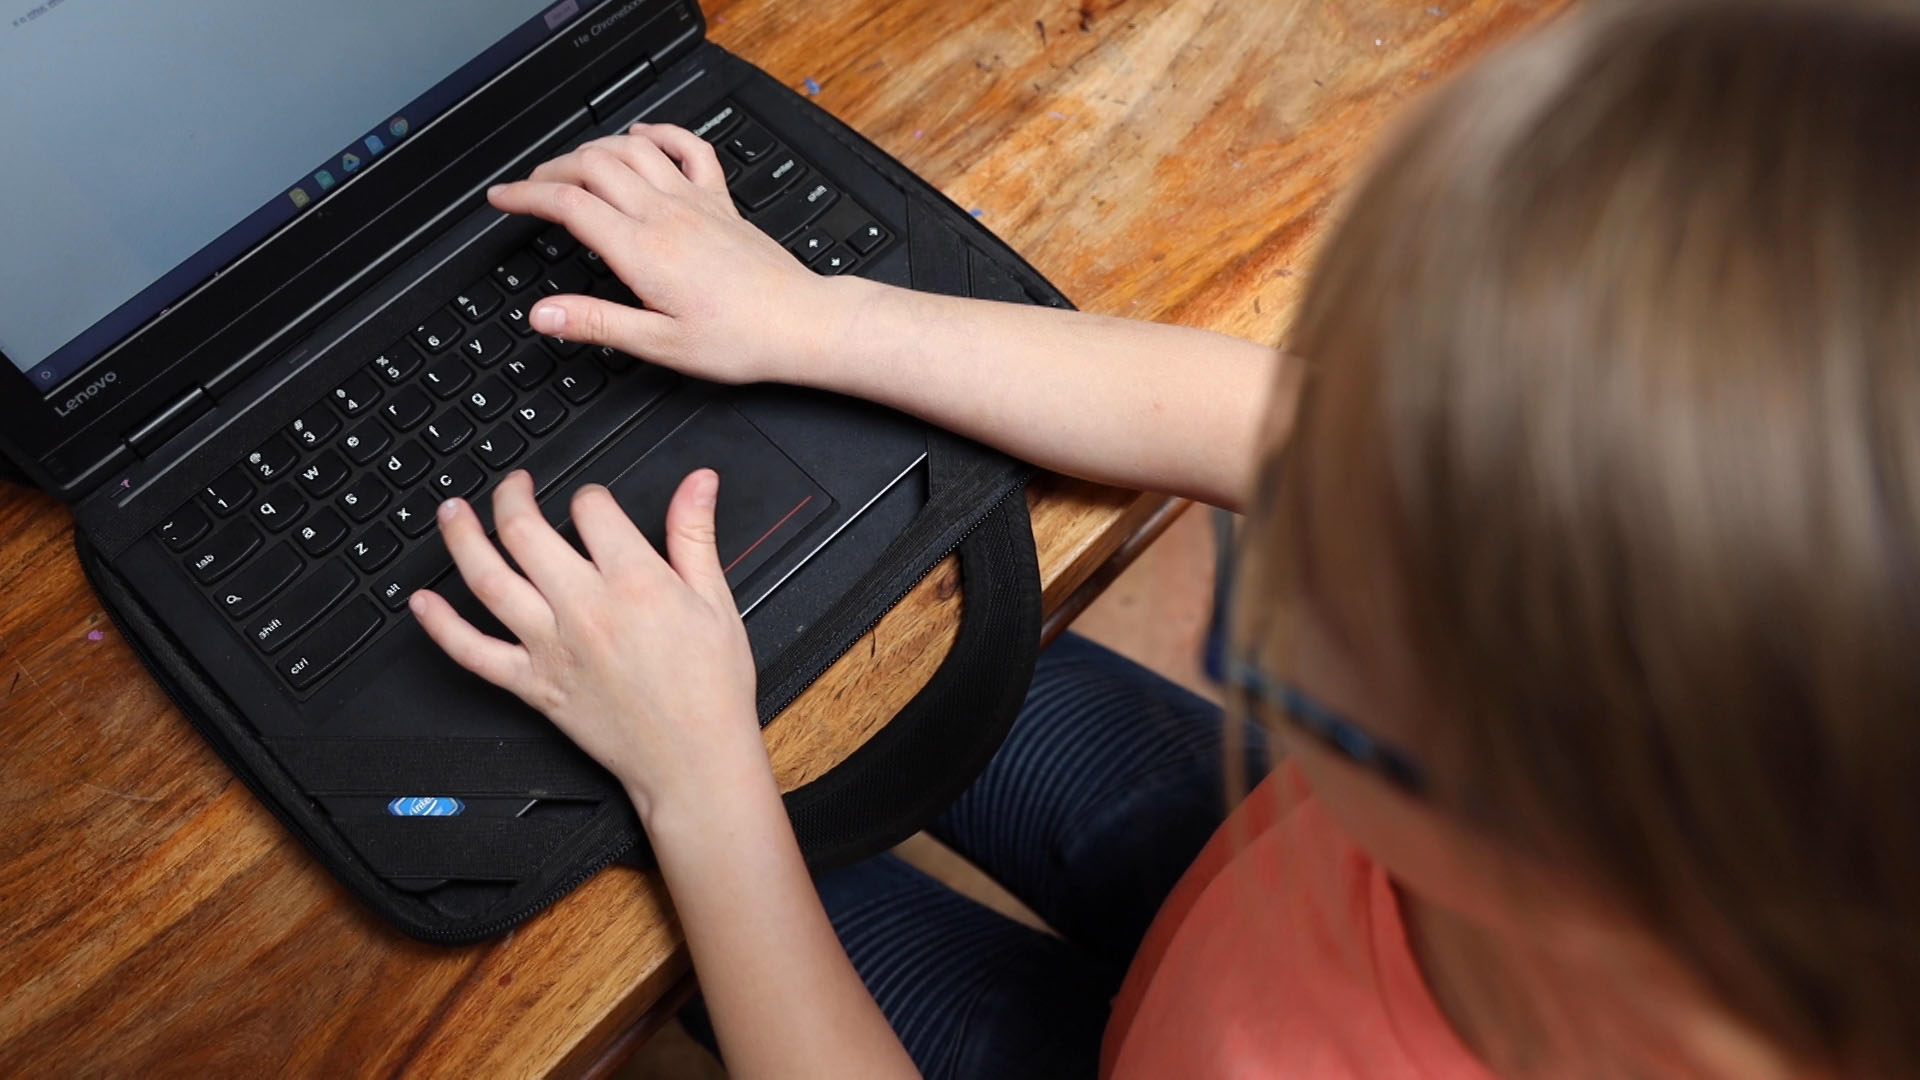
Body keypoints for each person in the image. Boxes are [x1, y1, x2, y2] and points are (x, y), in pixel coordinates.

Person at [407, 0, 1920, 1076]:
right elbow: (1262, 421)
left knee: (657, 864)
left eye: (1317, 633)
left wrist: (702, 788)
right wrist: (814, 315)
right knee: (882, 675)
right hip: (1275, 883)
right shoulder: (1683, 712)